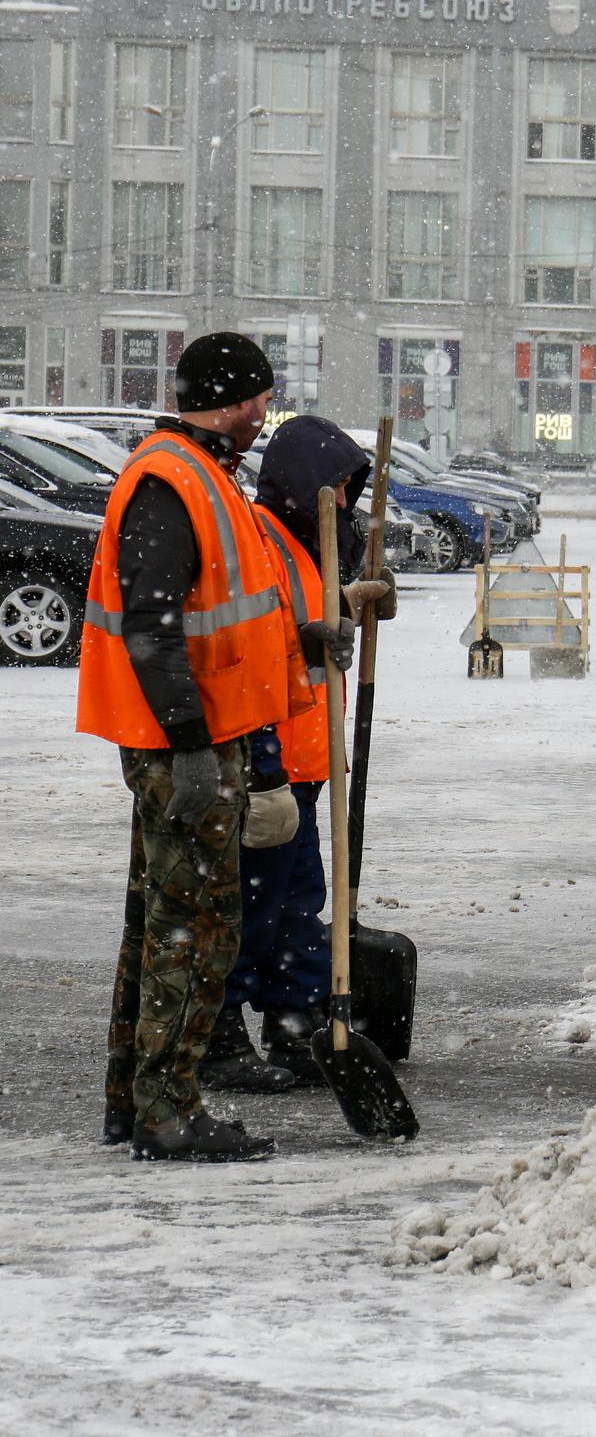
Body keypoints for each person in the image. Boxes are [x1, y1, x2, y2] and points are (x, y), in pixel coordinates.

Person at [79, 333, 350, 1163]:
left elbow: (226, 621)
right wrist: (191, 746)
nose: (266, 415)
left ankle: (139, 1100)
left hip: (198, 735)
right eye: (262, 399)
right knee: (190, 928)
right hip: (182, 746)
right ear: (236, 399)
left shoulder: (205, 476)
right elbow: (152, 625)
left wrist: (310, 639)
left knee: (164, 921)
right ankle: (167, 1109)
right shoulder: (170, 477)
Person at [200, 416, 395, 1093]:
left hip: (309, 761)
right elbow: (257, 629)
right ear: (302, 484)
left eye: (349, 488)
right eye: (336, 487)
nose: (344, 501)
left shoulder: (309, 544)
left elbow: (310, 608)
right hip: (267, 753)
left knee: (297, 904)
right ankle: (218, 1032)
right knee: (246, 907)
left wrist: (351, 599)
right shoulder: (260, 538)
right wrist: (314, 632)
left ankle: (295, 1021)